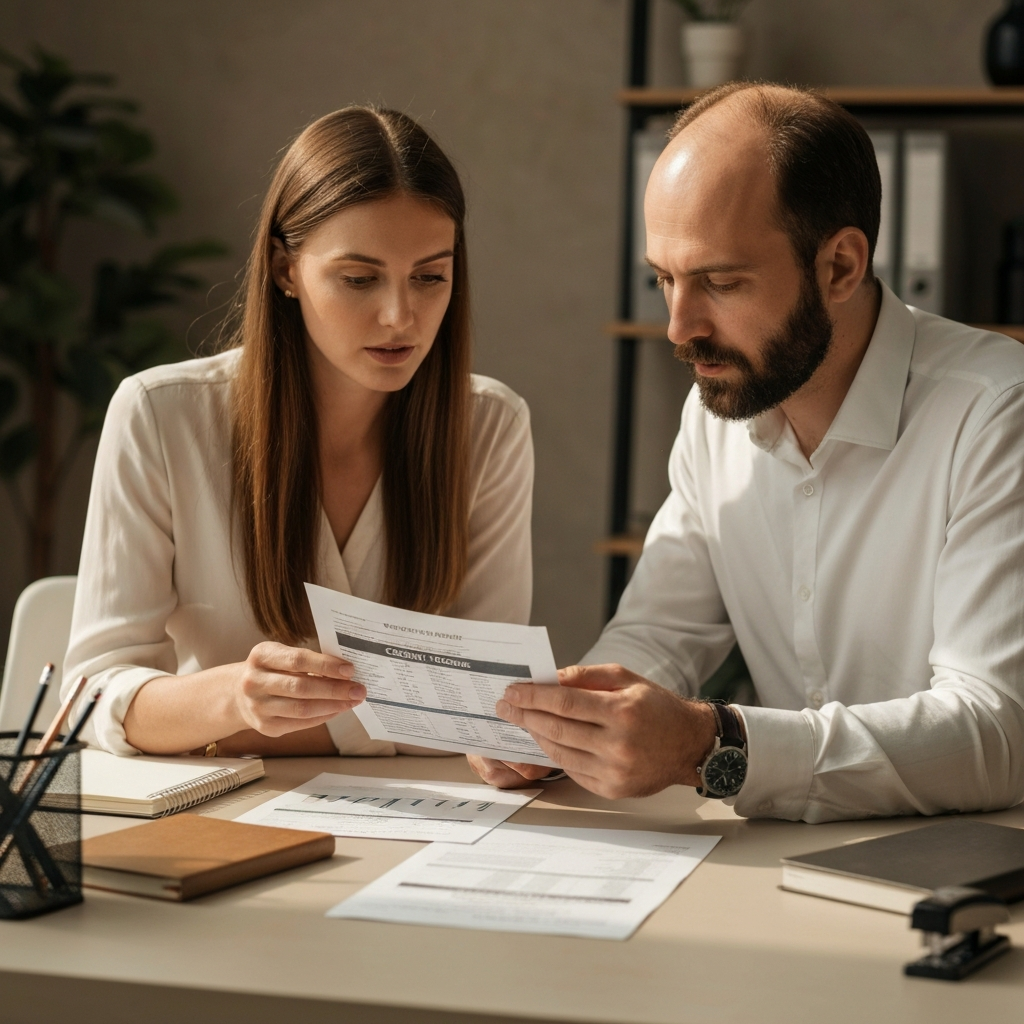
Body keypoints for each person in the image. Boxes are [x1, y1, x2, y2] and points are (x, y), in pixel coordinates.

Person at [470, 82, 1024, 823]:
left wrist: (713, 745)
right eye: (663, 279)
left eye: (720, 282)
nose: (677, 327)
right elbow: (660, 635)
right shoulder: (720, 410)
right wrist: (568, 723)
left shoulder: (995, 413)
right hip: (789, 863)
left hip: (977, 868)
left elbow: (997, 731)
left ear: (840, 267)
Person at [63, 106, 534, 760]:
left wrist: (233, 727)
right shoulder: (159, 415)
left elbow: (489, 708)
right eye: (359, 278)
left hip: (424, 822)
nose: (401, 315)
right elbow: (91, 698)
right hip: (223, 821)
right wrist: (234, 697)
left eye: (430, 276)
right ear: (286, 269)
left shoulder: (490, 427)